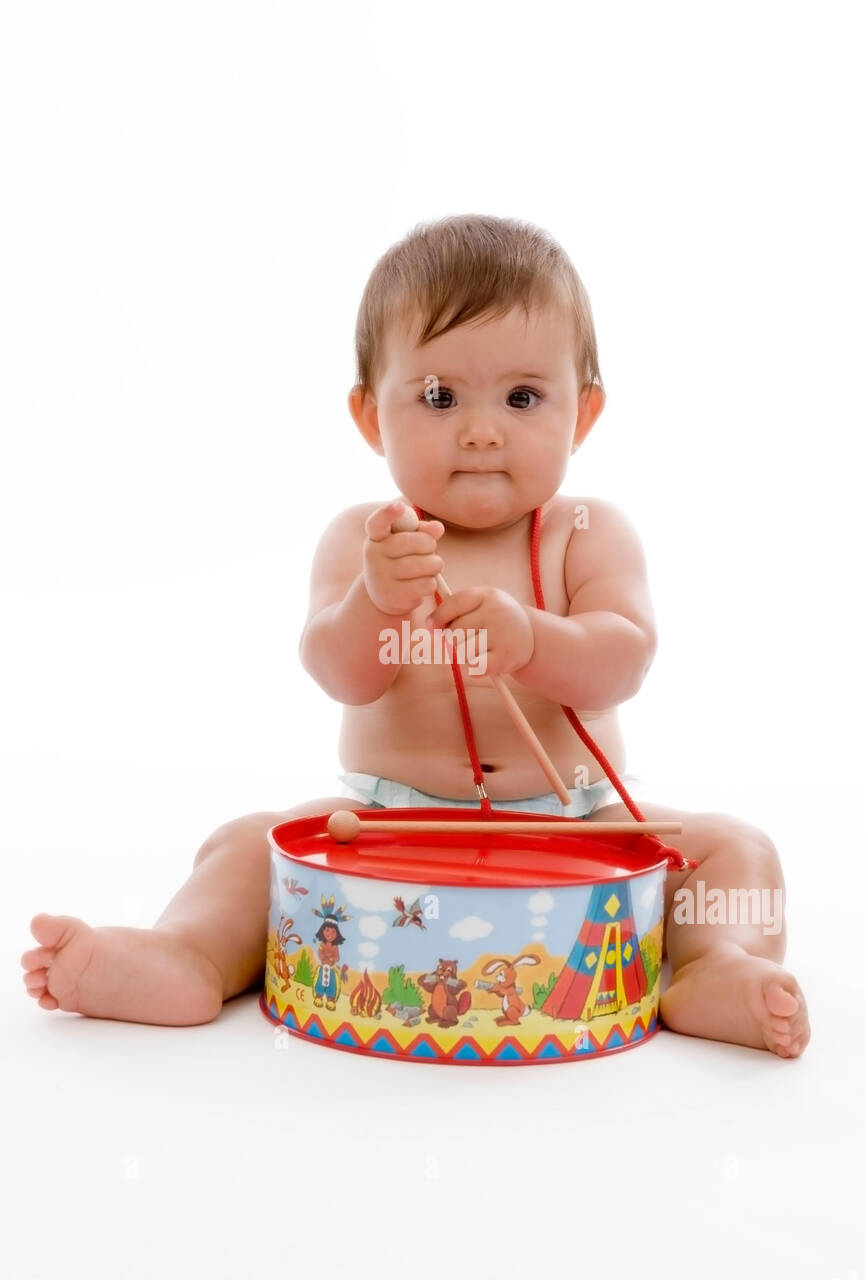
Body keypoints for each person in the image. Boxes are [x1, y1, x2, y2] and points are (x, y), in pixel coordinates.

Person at [21, 213, 809, 1057]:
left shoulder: (584, 533)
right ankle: (186, 954)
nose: (480, 429)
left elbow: (624, 658)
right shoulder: (367, 536)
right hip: (389, 822)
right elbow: (339, 671)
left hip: (575, 823)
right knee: (249, 843)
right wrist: (372, 601)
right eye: (439, 397)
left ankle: (708, 966)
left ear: (583, 414)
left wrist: (536, 640)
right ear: (370, 417)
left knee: (733, 849)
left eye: (522, 397)